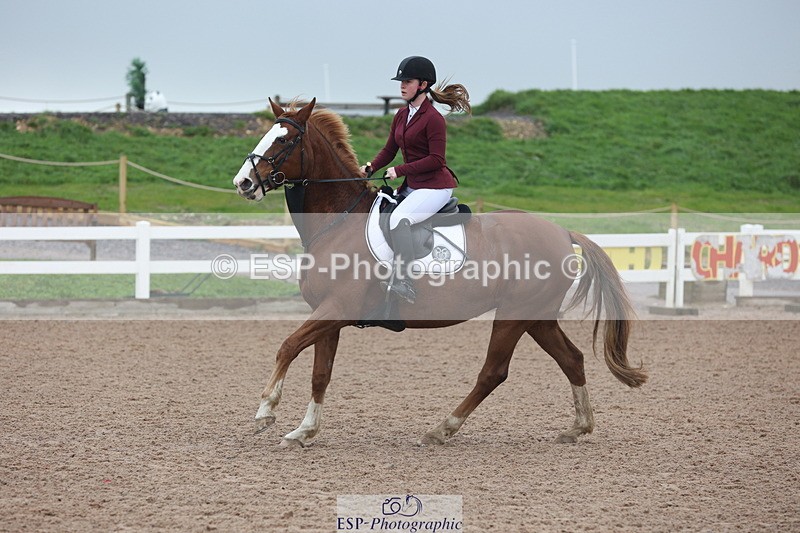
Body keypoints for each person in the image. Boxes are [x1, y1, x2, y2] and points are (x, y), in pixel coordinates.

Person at [360, 55, 471, 304]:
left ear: (422, 85)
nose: (402, 86)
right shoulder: (401, 115)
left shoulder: (434, 119)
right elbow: (389, 150)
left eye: (407, 81)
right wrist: (370, 167)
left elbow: (436, 160)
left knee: (400, 218)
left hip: (435, 186)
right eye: (401, 81)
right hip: (413, 185)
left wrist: (400, 170)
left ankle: (404, 280)